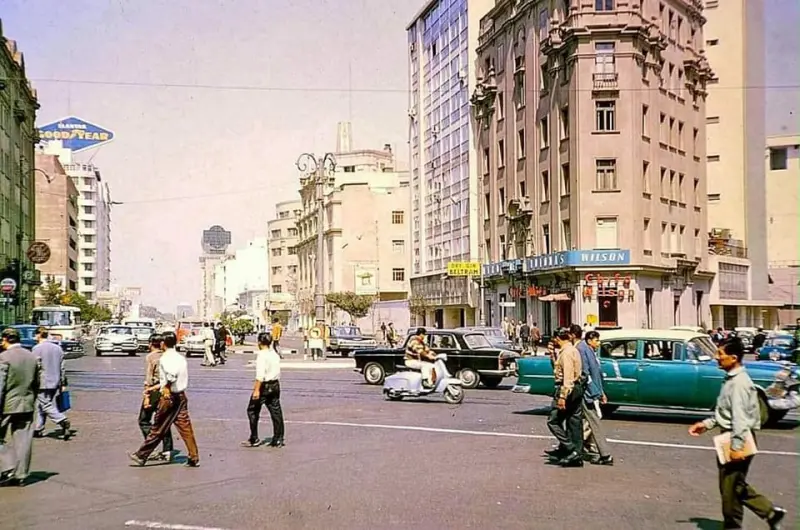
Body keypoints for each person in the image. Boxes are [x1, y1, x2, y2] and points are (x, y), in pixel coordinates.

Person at [688, 337, 786, 529]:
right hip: (731, 436)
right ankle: (770, 513)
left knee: (730, 489)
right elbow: (726, 411)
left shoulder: (739, 383)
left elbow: (740, 417)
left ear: (733, 358)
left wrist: (737, 446)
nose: (717, 357)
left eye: (720, 354)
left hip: (736, 436)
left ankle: (733, 525)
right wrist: (706, 424)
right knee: (735, 485)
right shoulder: (732, 379)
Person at [129, 331, 199, 468]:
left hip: (169, 397)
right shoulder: (180, 357)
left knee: (158, 427)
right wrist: (154, 388)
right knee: (185, 428)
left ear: (163, 343)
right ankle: (193, 456)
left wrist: (165, 388)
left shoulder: (166, 358)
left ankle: (141, 455)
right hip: (181, 396)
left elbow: (171, 376)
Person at [0, 328, 42, 486]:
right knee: (23, 441)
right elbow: (37, 382)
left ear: (5, 339)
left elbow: (0, 385)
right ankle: (21, 475)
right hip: (27, 404)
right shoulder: (32, 357)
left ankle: (9, 466)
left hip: (6, 405)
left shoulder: (3, 358)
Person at [544, 327, 584, 467]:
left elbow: (567, 376)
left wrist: (562, 396)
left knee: (553, 421)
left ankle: (570, 448)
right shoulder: (573, 350)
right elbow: (559, 370)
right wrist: (552, 356)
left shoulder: (566, 353)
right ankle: (576, 454)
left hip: (567, 388)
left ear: (557, 338)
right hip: (577, 387)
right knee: (574, 422)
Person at [241, 332, 285, 448]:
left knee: (252, 411)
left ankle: (254, 438)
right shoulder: (274, 354)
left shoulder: (262, 355)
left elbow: (260, 375)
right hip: (275, 385)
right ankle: (278, 438)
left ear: (259, 342)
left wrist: (256, 390)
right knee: (276, 412)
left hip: (264, 386)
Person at [577, 330, 613, 465]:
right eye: (596, 340)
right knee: (590, 421)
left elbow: (594, 374)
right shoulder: (583, 349)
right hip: (587, 392)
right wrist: (595, 392)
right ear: (589, 340)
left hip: (590, 392)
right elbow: (586, 374)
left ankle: (599, 452)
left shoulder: (590, 351)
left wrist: (600, 392)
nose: (598, 343)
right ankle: (601, 452)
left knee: (588, 421)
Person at [138, 334, 174, 461]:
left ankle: (151, 445)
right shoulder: (168, 356)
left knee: (143, 420)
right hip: (167, 391)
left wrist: (147, 395)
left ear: (150, 344)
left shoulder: (151, 357)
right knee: (164, 422)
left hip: (154, 391)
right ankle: (167, 451)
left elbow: (149, 378)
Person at [32, 327, 71, 440]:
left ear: (39, 335)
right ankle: (38, 428)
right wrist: (63, 382)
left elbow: (35, 366)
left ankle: (62, 420)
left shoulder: (37, 348)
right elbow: (62, 367)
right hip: (55, 381)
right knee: (42, 404)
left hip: (42, 381)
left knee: (45, 404)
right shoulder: (58, 348)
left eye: (35, 335)